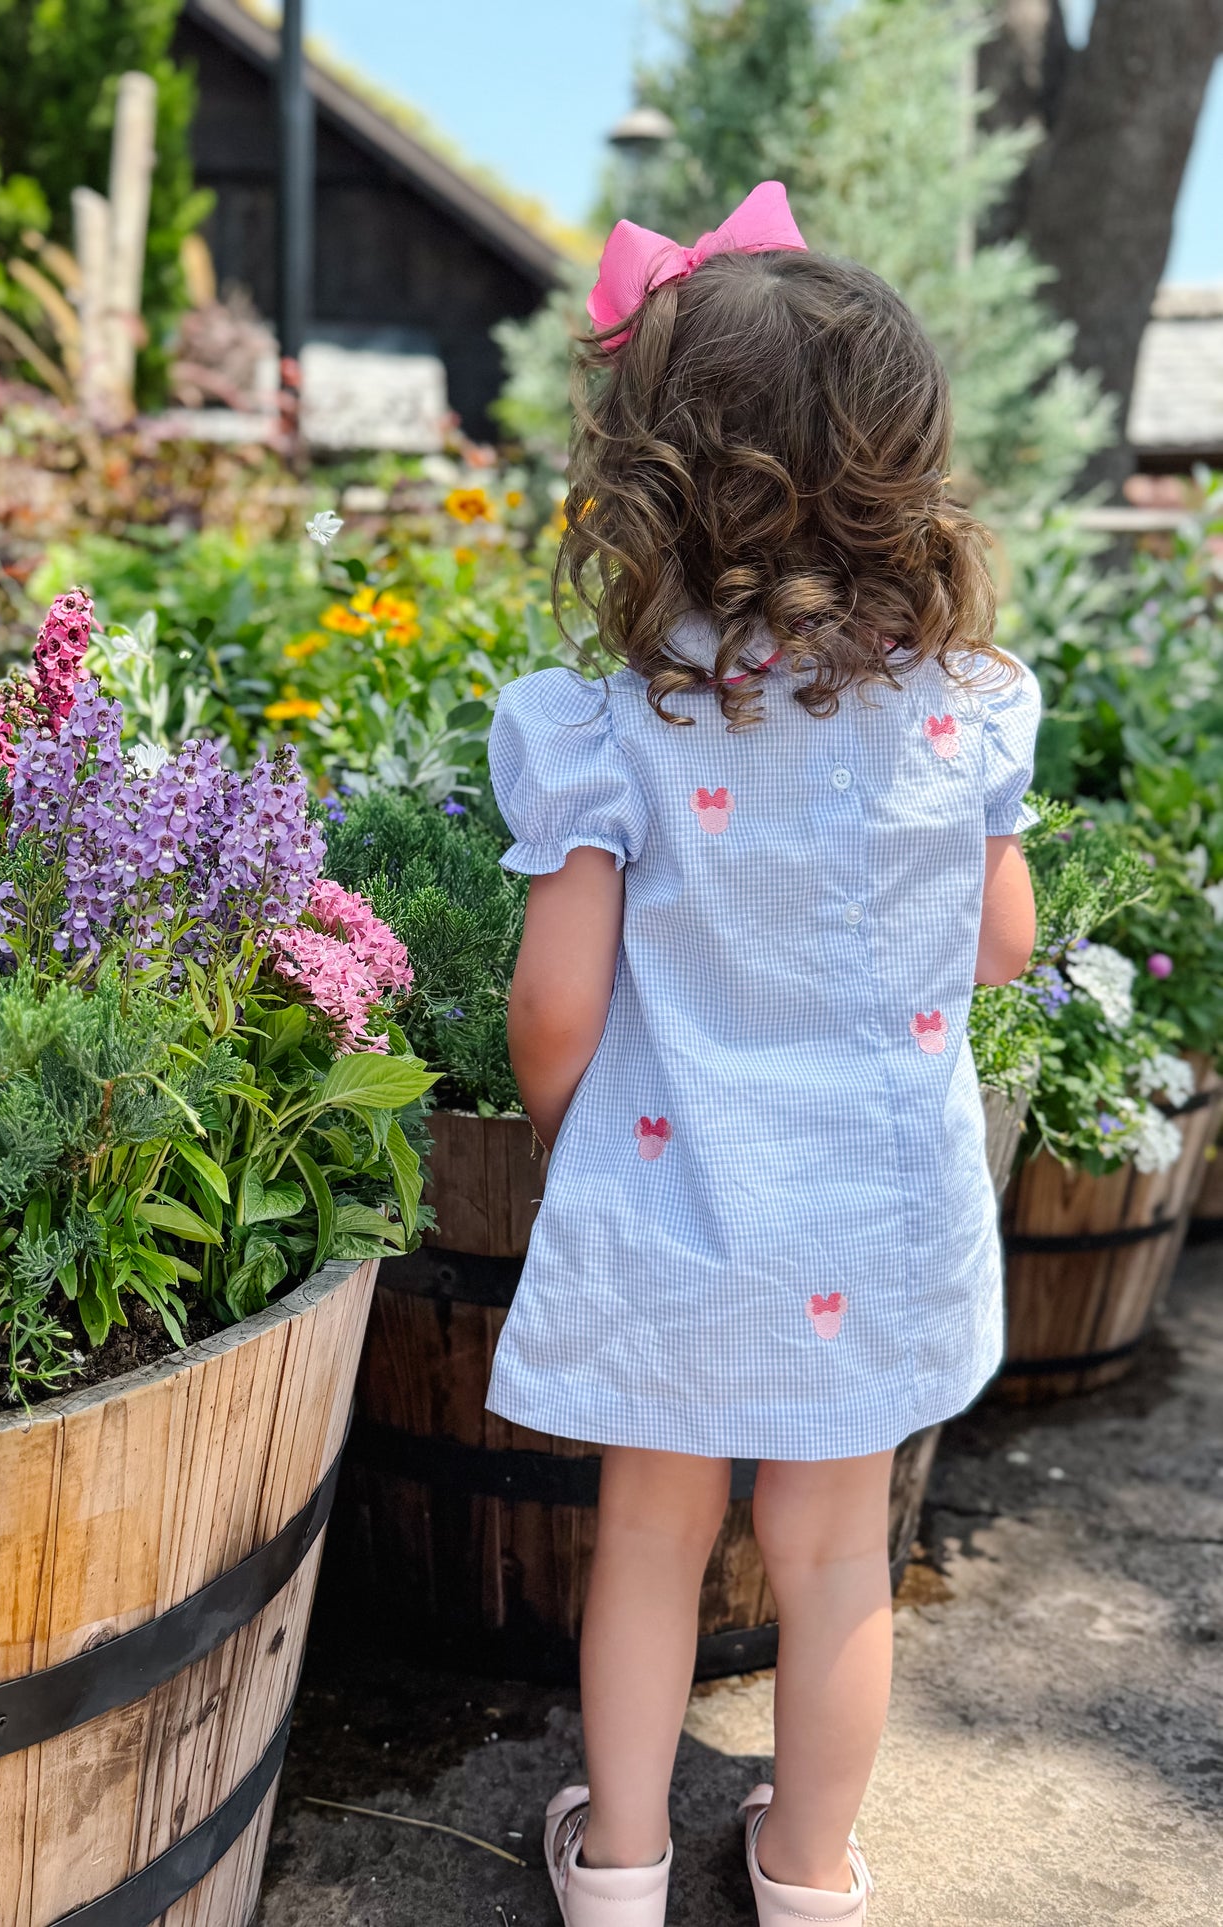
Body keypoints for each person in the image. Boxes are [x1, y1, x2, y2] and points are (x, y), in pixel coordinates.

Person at [488, 183, 1040, 1927]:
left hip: (675, 1199)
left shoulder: (606, 725)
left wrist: (585, 1134)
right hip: (872, 1217)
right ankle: (805, 1871)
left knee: (648, 1543)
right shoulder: (962, 711)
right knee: (831, 1560)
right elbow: (1000, 947)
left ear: (650, 472)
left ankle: (625, 1865)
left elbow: (556, 1005)